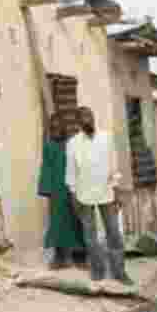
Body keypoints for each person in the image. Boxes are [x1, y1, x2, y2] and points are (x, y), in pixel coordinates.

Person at [65, 106, 131, 284]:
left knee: (114, 233)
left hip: (106, 192)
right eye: (83, 118)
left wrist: (116, 191)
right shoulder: (72, 144)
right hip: (83, 195)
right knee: (90, 236)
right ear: (79, 122)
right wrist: (73, 196)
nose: (88, 120)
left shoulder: (106, 138)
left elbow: (113, 166)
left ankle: (119, 272)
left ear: (94, 118)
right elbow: (71, 173)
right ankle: (98, 271)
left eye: (90, 116)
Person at [38, 112, 87, 269]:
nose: (56, 130)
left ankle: (80, 256)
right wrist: (46, 189)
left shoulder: (73, 145)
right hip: (57, 193)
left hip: (73, 190)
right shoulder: (49, 146)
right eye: (53, 127)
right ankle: (60, 257)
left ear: (65, 128)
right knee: (58, 224)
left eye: (59, 127)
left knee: (76, 221)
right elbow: (46, 168)